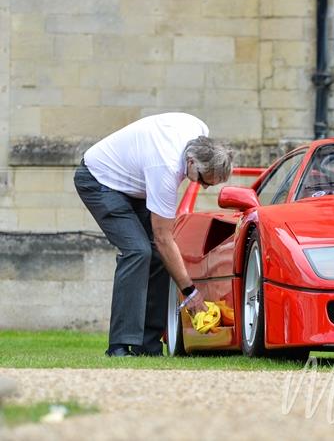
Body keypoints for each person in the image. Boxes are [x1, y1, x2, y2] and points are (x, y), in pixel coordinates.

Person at [73, 112, 233, 357]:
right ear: (190, 162)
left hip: (134, 185)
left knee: (159, 257)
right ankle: (120, 345)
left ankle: (147, 345)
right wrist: (191, 293)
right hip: (99, 180)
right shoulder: (166, 168)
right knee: (138, 251)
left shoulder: (199, 130)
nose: (204, 187)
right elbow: (163, 237)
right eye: (203, 181)